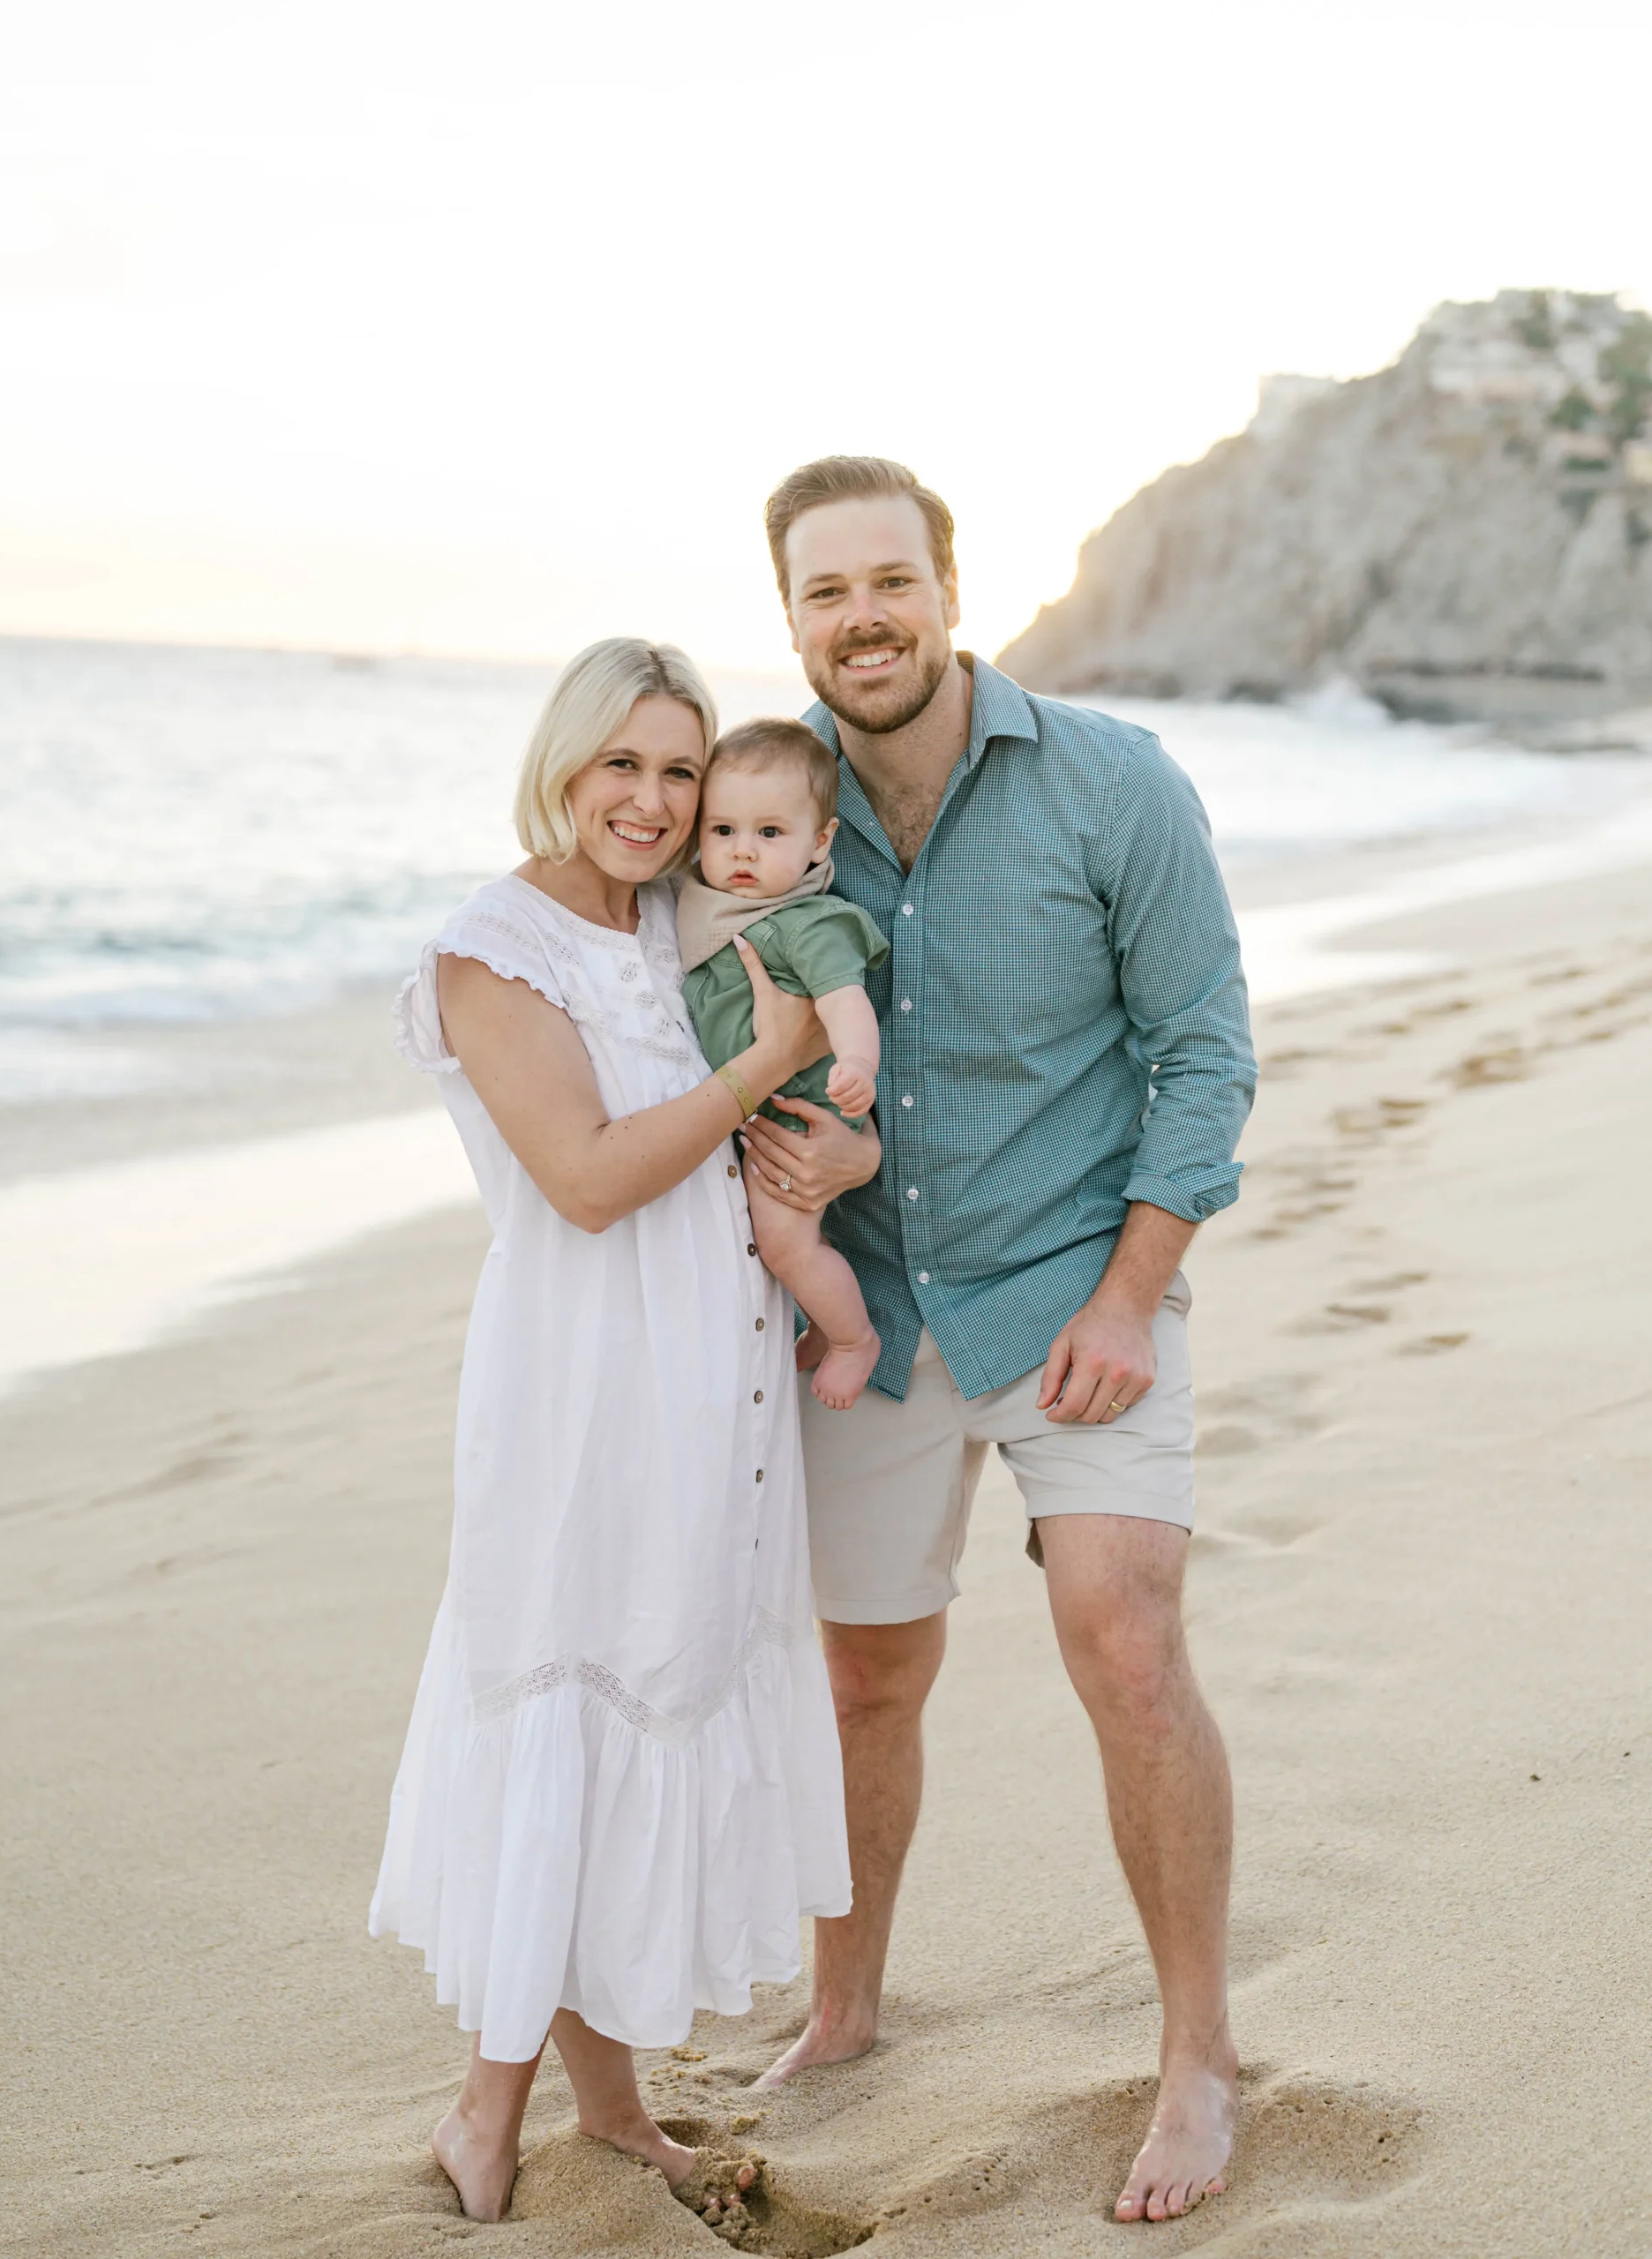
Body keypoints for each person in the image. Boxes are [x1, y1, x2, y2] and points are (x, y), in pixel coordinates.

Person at [734, 459, 1258, 2227]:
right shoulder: (771, 811)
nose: (861, 615)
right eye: (825, 591)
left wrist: (1128, 1293)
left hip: (1071, 1286)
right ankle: (846, 2002)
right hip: (864, 1316)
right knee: (866, 1676)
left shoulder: (1109, 780)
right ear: (791, 614)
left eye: (891, 578)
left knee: (1121, 1634)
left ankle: (1197, 2047)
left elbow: (1201, 1049)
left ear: (952, 588)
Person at [368, 638, 869, 2228]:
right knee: (567, 1712)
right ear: (564, 763)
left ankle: (614, 2105)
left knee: (652, 1695)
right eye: (623, 767)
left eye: (680, 770)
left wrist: (833, 1152)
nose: (654, 805)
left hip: (710, 1389)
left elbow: (789, 1122)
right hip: (579, 1395)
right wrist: (774, 1060)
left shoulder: (679, 925)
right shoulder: (491, 950)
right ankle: (480, 2108)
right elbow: (586, 1178)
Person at [678, 717, 890, 1409]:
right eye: (723, 831)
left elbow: (845, 1001)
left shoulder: (808, 922)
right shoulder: (707, 907)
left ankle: (855, 1338)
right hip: (754, 1106)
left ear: (819, 841)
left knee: (784, 1245)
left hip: (799, 1113)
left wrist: (857, 1062)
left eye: (770, 834)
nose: (743, 852)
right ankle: (825, 1331)